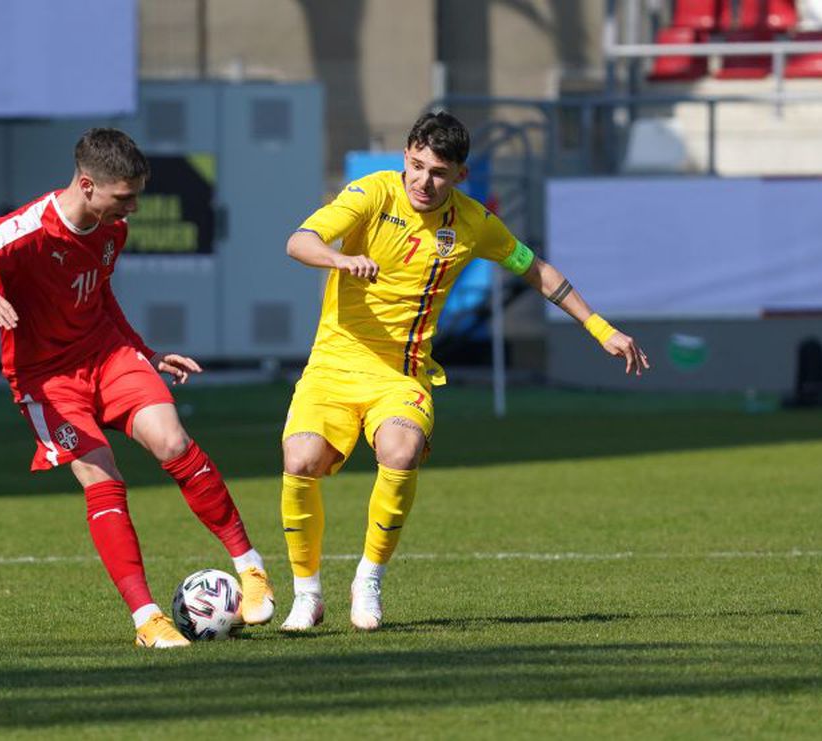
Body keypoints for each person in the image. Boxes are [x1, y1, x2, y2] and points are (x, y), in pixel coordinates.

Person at [277, 111, 650, 632]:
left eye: (437, 173)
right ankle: (307, 593)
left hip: (401, 376)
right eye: (416, 165)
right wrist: (339, 262)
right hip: (333, 366)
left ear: (459, 176)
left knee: (400, 451)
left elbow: (536, 269)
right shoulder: (370, 195)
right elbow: (300, 241)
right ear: (405, 155)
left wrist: (601, 329)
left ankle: (368, 579)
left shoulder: (473, 223)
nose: (423, 181)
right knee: (300, 459)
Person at [0, 128, 274, 648]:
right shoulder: (24, 231)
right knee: (102, 475)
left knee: (173, 441)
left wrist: (145, 352)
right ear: (87, 185)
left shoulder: (111, 229)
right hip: (47, 382)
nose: (131, 209)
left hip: (106, 355)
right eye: (123, 197)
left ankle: (252, 570)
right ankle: (149, 621)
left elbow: (100, 298)